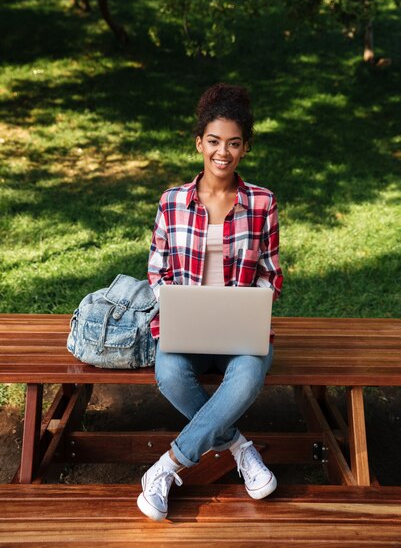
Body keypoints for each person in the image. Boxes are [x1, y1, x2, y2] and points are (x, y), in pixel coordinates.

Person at [137, 83, 283, 521]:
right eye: (215, 141)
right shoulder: (172, 202)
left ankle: (168, 466)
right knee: (170, 373)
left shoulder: (262, 203)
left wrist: (248, 304)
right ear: (200, 142)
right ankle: (239, 448)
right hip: (187, 328)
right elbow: (156, 273)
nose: (224, 152)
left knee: (246, 376)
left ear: (245, 148)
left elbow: (270, 275)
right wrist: (179, 302)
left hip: (241, 329)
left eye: (234, 143)